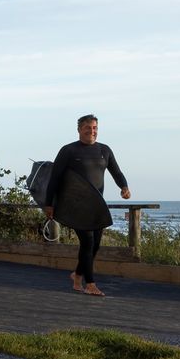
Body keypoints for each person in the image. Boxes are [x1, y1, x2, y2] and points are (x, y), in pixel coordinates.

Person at [41, 113, 130, 296]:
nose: (92, 131)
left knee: (94, 245)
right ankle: (90, 284)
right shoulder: (69, 151)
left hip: (96, 206)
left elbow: (116, 172)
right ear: (79, 130)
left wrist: (124, 186)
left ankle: (77, 274)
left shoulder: (104, 150)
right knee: (88, 242)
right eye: (88, 128)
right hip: (76, 206)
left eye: (95, 128)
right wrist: (49, 204)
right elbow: (55, 178)